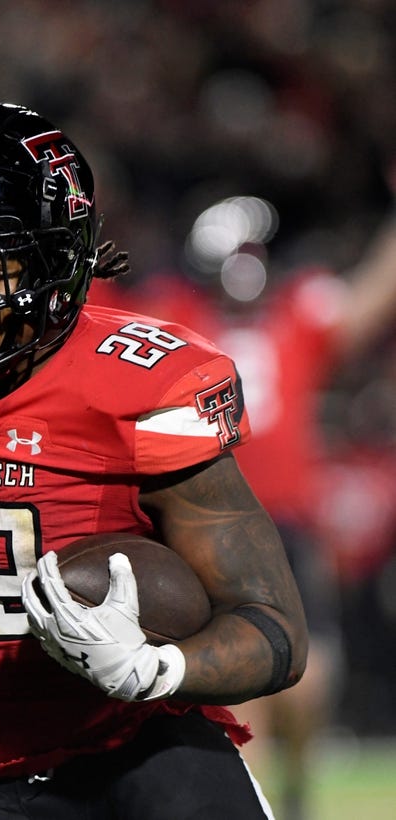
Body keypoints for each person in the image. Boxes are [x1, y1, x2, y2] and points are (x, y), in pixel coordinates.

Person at [0, 102, 308, 819]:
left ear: (55, 259)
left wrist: (155, 669)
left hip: (146, 746)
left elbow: (276, 629)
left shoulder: (143, 384)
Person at [93, 194, 396, 820]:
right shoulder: (176, 314)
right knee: (238, 680)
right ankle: (248, 803)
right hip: (204, 518)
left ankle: (293, 798)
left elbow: (370, 300)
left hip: (287, 523)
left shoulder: (298, 312)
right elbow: (95, 327)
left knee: (309, 683)